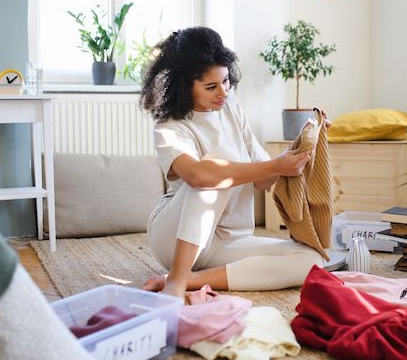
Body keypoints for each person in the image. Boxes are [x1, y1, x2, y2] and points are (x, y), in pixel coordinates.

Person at [139, 26, 330, 300]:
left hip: (229, 240)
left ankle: (190, 280)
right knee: (221, 160)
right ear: (184, 85)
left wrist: (300, 146)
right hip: (174, 239)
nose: (223, 92)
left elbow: (263, 179)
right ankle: (177, 280)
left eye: (226, 81)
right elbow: (197, 176)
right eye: (211, 86)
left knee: (312, 260)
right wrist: (275, 166)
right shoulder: (170, 127)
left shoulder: (234, 113)